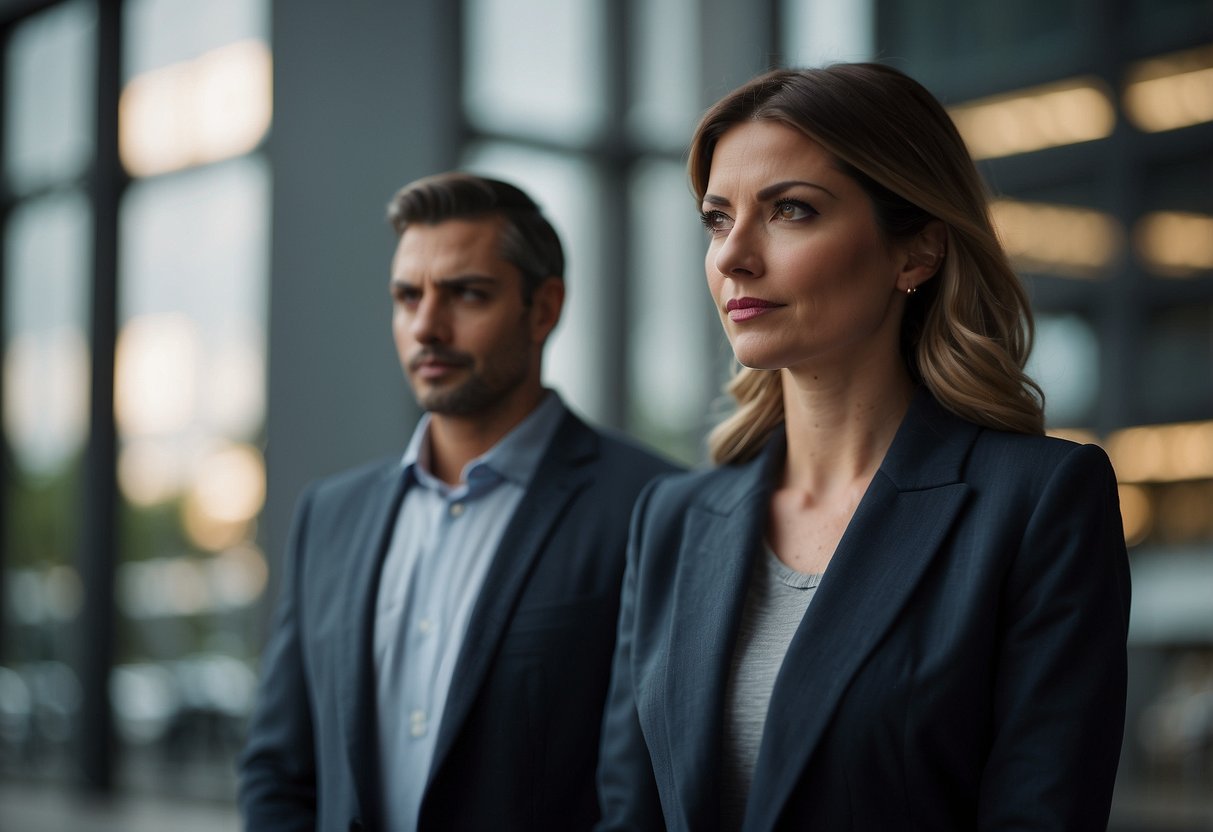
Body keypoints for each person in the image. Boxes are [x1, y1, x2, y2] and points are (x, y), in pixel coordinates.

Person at [596, 63, 1131, 832]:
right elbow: (630, 814)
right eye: (717, 219)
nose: (732, 256)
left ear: (915, 253)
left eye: (790, 211)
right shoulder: (672, 519)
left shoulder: (1037, 503)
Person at [238, 172, 679, 831]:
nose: (426, 327)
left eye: (466, 295)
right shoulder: (330, 516)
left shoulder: (653, 506)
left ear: (544, 308)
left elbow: (644, 795)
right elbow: (278, 771)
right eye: (406, 296)